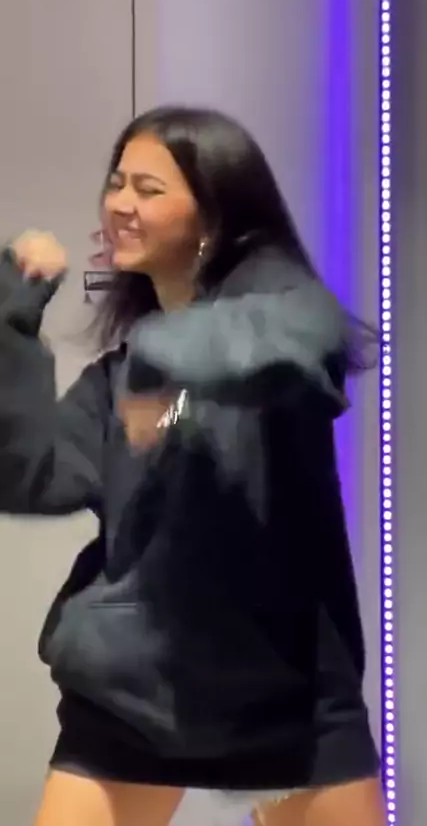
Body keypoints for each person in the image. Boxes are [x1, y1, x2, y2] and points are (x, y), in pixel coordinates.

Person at [0, 106, 385, 826]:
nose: (120, 203)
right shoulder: (119, 379)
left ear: (213, 213)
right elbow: (29, 475)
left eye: (148, 189)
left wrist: (163, 366)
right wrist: (13, 317)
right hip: (132, 693)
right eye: (117, 183)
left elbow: (289, 345)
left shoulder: (286, 315)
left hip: (286, 693)